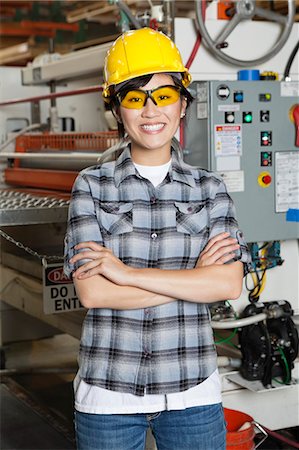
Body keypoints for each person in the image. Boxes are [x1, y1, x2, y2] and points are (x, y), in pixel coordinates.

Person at [64, 27, 251, 450]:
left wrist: (125, 274)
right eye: (134, 97)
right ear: (117, 110)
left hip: (193, 394)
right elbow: (93, 293)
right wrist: (193, 279)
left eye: (163, 96)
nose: (151, 110)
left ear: (182, 104)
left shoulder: (210, 188)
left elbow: (227, 284)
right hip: (108, 392)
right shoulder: (91, 186)